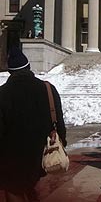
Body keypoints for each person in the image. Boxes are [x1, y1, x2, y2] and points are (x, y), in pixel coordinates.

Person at [0, 47, 67, 201]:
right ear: (29, 67)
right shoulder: (48, 89)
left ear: (10, 72)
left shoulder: (3, 93)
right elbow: (58, 120)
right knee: (34, 189)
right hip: (41, 152)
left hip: (11, 155)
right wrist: (62, 141)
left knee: (14, 190)